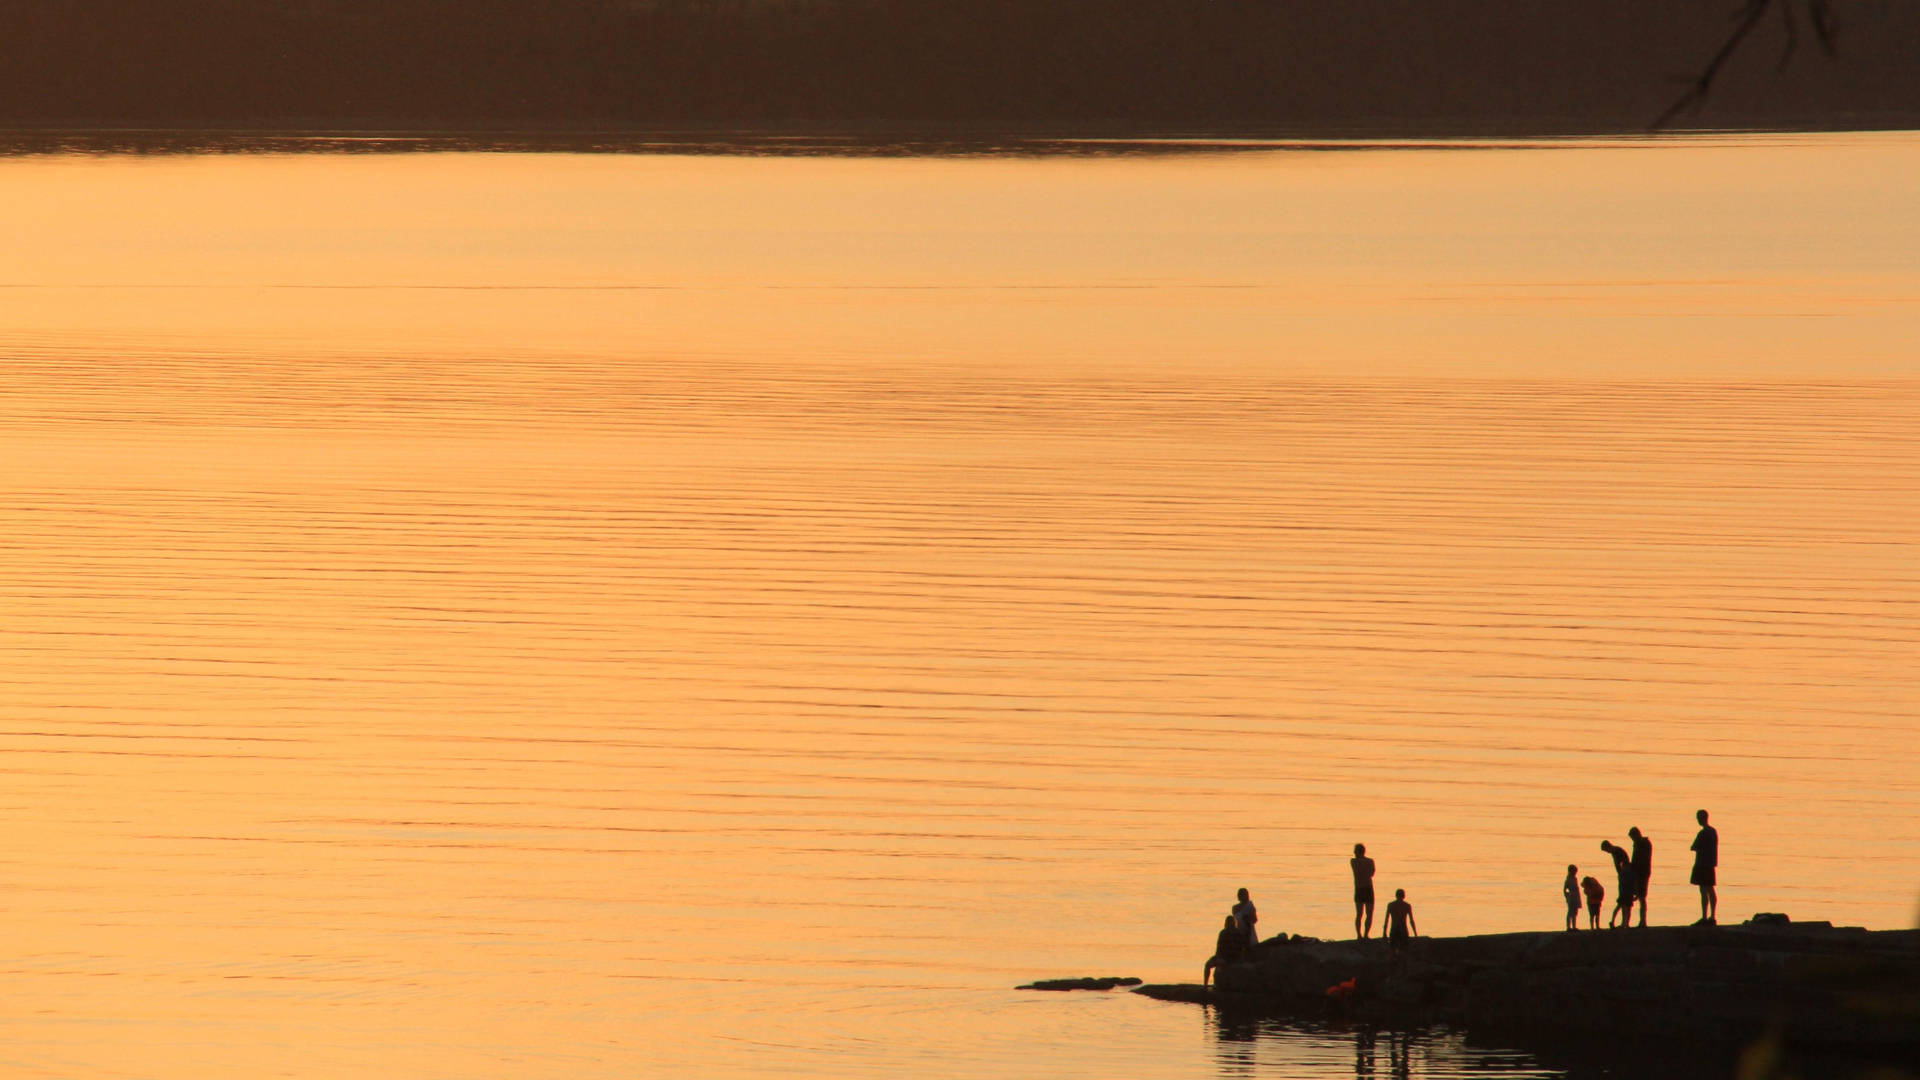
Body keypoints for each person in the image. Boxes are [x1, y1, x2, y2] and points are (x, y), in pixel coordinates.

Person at [1690, 808, 1719, 925]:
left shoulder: (1703, 833)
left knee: (1703, 891)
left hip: (1702, 864)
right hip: (1710, 864)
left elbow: (1693, 847)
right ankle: (1712, 916)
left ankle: (1704, 916)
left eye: (1698, 817)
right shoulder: (1713, 831)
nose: (1697, 820)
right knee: (1710, 889)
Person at [1203, 914, 1245, 986]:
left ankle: (1205, 986)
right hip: (1229, 957)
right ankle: (1205, 985)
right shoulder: (1237, 933)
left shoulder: (1226, 933)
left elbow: (1219, 949)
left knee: (1208, 965)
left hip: (1228, 958)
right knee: (1209, 964)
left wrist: (1220, 959)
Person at [1600, 840, 1633, 928]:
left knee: (1623, 903)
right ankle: (1624, 923)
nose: (1607, 852)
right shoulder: (1616, 850)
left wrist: (1621, 874)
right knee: (1624, 904)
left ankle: (1622, 923)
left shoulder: (1615, 851)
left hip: (1624, 877)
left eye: (1606, 850)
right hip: (1625, 876)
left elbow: (1619, 864)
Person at [1384, 888, 1417, 975]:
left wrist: (1384, 932)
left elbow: (1386, 919)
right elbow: (1411, 920)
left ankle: (1390, 971)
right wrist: (1415, 933)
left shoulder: (1390, 905)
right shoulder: (1407, 906)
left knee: (1392, 951)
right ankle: (1403, 971)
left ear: (1396, 895)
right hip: (1403, 929)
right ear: (1404, 896)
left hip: (1394, 929)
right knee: (1404, 951)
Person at [1627, 827, 1652, 927]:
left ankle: (1643, 921)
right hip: (1642, 872)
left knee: (1641, 897)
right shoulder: (1642, 843)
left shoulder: (1641, 844)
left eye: (1632, 837)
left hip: (1642, 873)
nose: (1632, 839)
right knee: (1641, 897)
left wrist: (1632, 868)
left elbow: (1639, 859)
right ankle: (1642, 920)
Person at [1351, 844, 1377, 939]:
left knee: (1359, 913)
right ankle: (1365, 934)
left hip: (1359, 889)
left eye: (1355, 851)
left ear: (1358, 852)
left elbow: (1359, 872)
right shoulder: (1370, 861)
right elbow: (1371, 873)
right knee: (1368, 913)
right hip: (1368, 888)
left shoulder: (1353, 861)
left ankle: (1360, 935)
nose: (1354, 853)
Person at [1563, 864, 1581, 931]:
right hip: (1571, 897)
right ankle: (1568, 927)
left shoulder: (1575, 878)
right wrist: (1567, 896)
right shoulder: (1568, 879)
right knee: (1570, 912)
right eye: (1574, 871)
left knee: (1575, 912)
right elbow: (1565, 889)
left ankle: (1574, 926)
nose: (1575, 873)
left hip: (1576, 896)